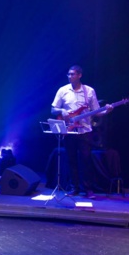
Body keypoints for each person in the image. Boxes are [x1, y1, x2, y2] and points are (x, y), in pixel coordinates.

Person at [50, 65, 113, 198]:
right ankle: (74, 187)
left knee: (86, 160)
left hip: (84, 130)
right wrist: (62, 111)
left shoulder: (89, 91)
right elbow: (53, 109)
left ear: (79, 75)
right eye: (68, 74)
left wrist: (107, 110)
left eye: (72, 74)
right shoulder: (62, 90)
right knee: (71, 159)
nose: (69, 76)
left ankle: (88, 189)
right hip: (70, 131)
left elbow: (97, 111)